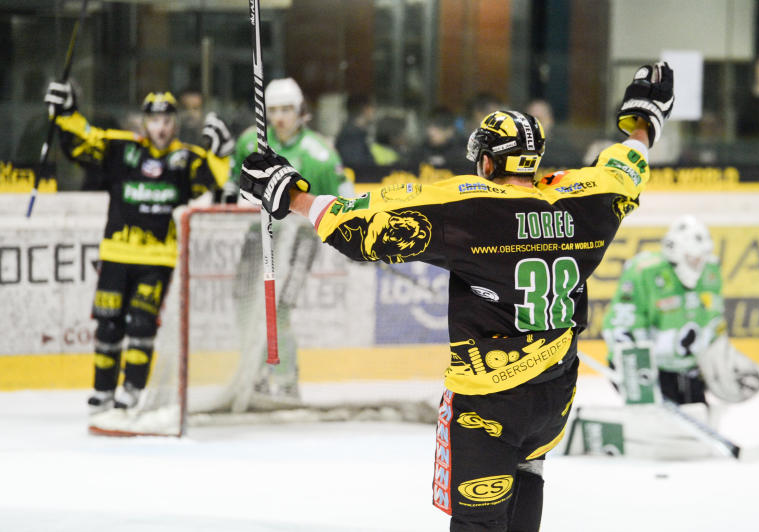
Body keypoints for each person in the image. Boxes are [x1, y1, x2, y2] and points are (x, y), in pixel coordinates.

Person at [237, 62, 673, 530]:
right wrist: (643, 122)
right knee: (529, 468)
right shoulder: (589, 198)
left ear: (487, 162)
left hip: (489, 401)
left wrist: (291, 194)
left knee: (478, 522)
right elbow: (627, 166)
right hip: (554, 392)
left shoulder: (470, 207)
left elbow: (360, 228)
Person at [43, 82, 233, 412]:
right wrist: (66, 113)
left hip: (157, 258)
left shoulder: (185, 158)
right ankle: (103, 390)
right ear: (144, 122)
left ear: (175, 123)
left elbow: (211, 179)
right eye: (155, 120)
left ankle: (132, 388)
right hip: (116, 253)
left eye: (167, 120)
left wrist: (221, 153)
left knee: (142, 324)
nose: (161, 127)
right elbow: (83, 141)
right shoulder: (122, 149)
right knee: (108, 324)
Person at [225, 77, 351, 400]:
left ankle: (285, 381)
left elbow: (343, 200)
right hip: (257, 237)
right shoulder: (250, 143)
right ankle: (254, 373)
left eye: (286, 110)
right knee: (245, 302)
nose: (280, 117)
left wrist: (354, 237)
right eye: (274, 110)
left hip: (299, 242)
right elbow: (231, 186)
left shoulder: (320, 154)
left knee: (278, 310)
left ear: (300, 111)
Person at [601, 215, 759, 406]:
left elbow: (713, 322)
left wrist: (719, 356)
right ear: (675, 253)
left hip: (689, 371)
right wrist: (636, 373)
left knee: (696, 418)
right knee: (661, 424)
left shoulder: (710, 271)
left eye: (701, 259)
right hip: (651, 371)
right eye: (693, 258)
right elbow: (621, 324)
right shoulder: (645, 271)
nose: (698, 264)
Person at [335, 93, 377, 170]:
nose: (374, 111)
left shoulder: (355, 135)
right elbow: (358, 167)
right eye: (372, 107)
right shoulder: (351, 137)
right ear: (365, 109)